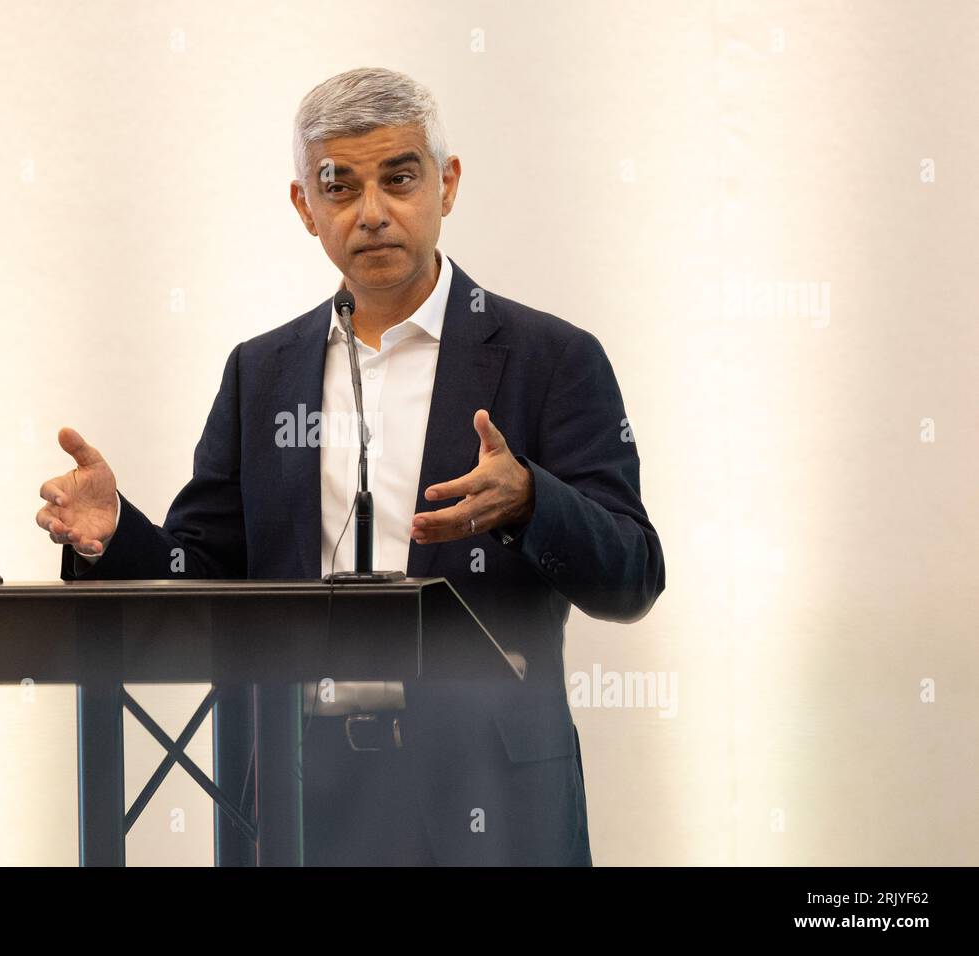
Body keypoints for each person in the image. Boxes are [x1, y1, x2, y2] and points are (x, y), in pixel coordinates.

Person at [34, 67, 665, 865]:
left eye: (400, 178)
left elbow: (633, 573)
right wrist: (115, 533)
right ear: (305, 207)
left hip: (494, 798)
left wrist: (533, 501)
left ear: (448, 184)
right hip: (302, 799)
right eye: (339, 186)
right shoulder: (259, 374)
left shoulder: (553, 359)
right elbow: (206, 573)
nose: (372, 213)